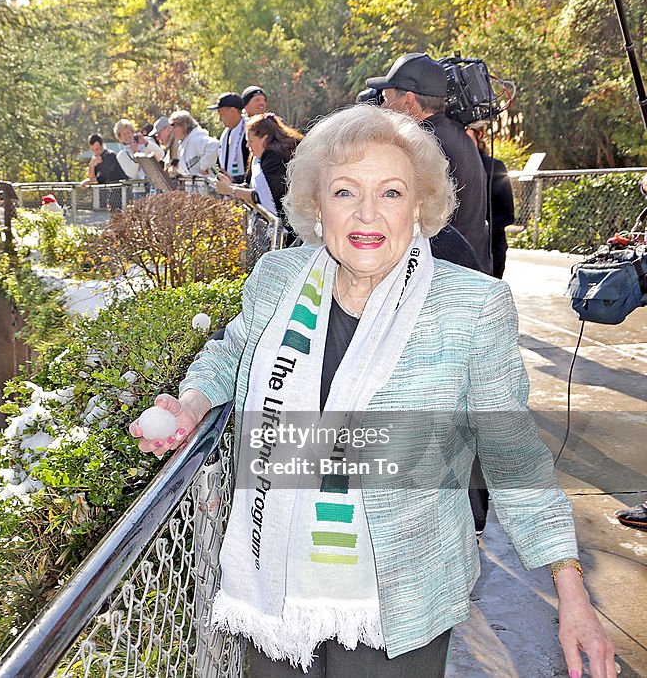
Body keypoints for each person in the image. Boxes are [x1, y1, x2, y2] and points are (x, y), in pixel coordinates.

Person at [130, 104, 615, 677]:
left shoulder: (471, 308)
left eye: (390, 192)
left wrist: (571, 590)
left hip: (400, 604)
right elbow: (231, 352)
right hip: (275, 583)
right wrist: (191, 404)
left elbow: (513, 456)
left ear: (419, 205)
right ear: (316, 205)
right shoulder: (280, 280)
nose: (367, 214)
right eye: (344, 192)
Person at [367, 53, 492, 275]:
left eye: (387, 99)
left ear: (409, 101)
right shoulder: (458, 135)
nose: (384, 106)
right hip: (470, 268)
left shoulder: (422, 145)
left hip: (444, 274)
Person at [215, 112, 302, 235]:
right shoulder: (257, 158)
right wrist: (232, 184)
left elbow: (264, 195)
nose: (247, 145)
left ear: (265, 138)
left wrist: (231, 190)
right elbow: (250, 185)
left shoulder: (277, 158)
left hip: (290, 228)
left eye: (250, 141)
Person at [467, 122, 515, 279]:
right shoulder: (450, 164)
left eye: (465, 131)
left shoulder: (495, 167)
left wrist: (482, 227)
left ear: (479, 134)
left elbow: (508, 214)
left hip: (491, 249)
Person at [210, 92, 250, 184]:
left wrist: (235, 180)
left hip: (245, 189)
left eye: (221, 112)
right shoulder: (226, 134)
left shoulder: (250, 131)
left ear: (232, 110)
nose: (220, 118)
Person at [168, 110, 220, 178]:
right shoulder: (184, 143)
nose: (172, 130)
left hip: (206, 185)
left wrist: (203, 168)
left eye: (174, 125)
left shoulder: (196, 138)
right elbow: (189, 167)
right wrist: (177, 169)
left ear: (184, 125)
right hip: (194, 185)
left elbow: (214, 145)